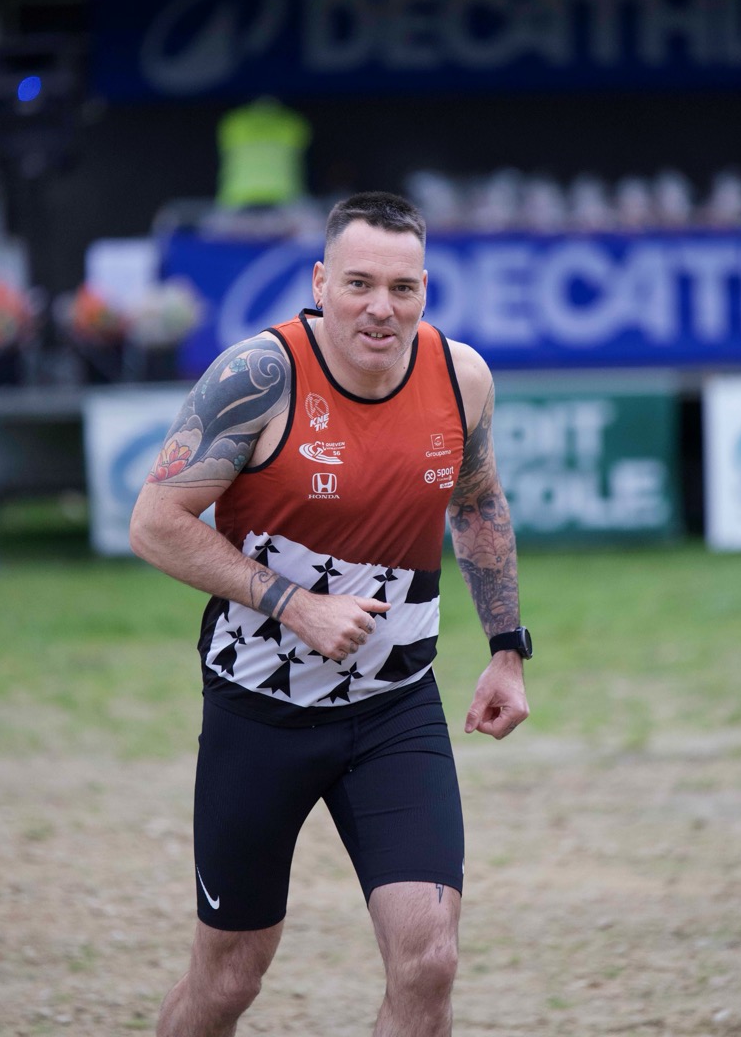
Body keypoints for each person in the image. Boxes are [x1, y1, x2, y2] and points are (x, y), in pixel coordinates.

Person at [130, 190, 531, 1037]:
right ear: (320, 282)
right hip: (259, 711)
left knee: (428, 961)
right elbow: (155, 523)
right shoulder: (259, 376)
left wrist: (506, 649)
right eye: (359, 284)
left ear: (424, 290)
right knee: (228, 979)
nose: (380, 308)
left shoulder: (460, 376)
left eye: (402, 287)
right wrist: (294, 605)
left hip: (394, 709)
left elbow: (478, 501)